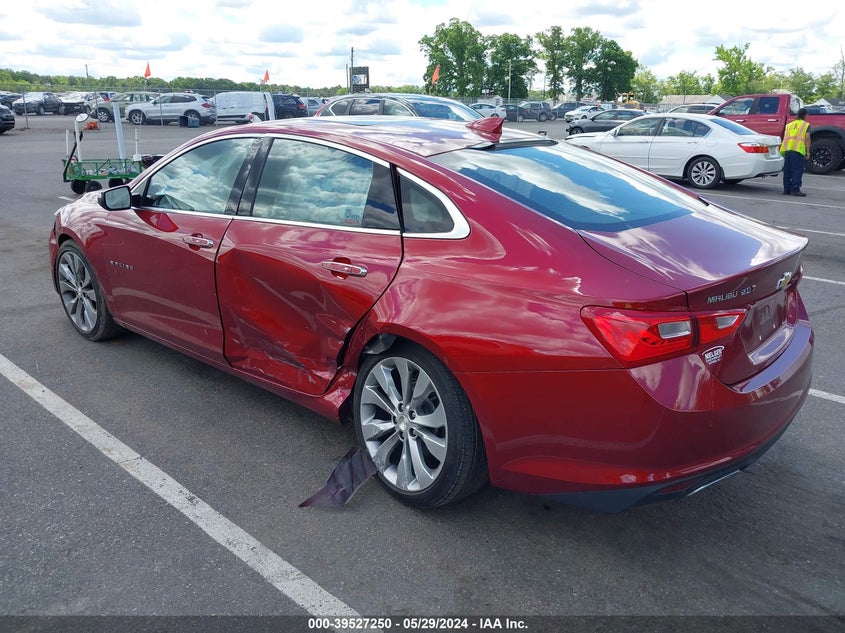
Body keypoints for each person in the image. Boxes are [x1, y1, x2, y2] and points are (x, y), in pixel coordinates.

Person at [780, 108, 811, 196]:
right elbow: (807, 138)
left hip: (787, 149)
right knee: (797, 170)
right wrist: (808, 151)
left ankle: (786, 189)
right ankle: (795, 189)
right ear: (805, 115)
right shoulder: (805, 125)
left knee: (787, 170)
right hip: (798, 150)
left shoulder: (789, 125)